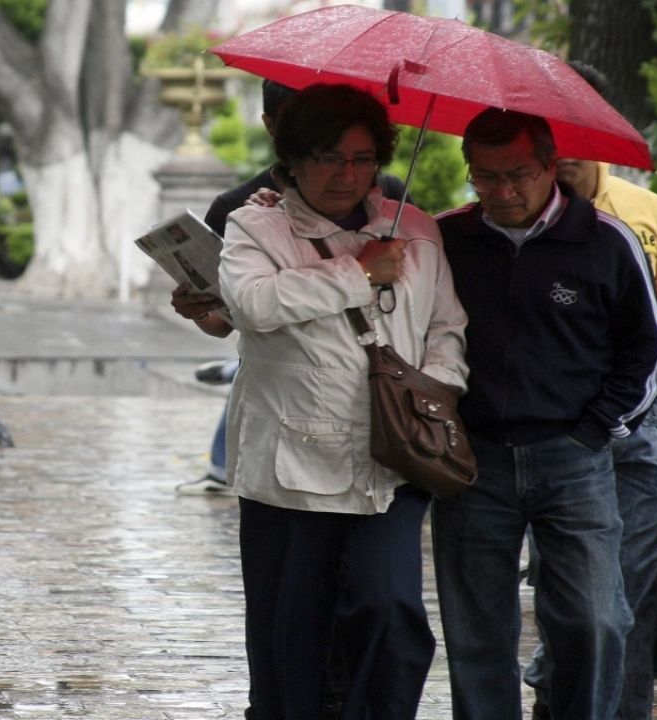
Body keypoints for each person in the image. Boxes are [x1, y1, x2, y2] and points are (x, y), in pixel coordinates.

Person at [220, 83, 468, 719]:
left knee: (391, 611)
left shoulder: (413, 228)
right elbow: (253, 304)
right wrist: (356, 273)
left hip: (392, 453)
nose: (346, 174)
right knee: (289, 636)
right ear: (295, 158)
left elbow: (446, 326)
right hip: (288, 469)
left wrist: (435, 387)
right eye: (329, 158)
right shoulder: (257, 225)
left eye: (361, 159)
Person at [432, 108, 657, 720]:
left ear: (549, 167)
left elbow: (649, 349)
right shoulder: (445, 239)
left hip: (575, 458)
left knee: (596, 620)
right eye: (484, 177)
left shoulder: (606, 240)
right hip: (472, 460)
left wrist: (597, 429)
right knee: (476, 631)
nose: (503, 192)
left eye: (518, 175)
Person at [521, 63, 657, 720]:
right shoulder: (519, 214)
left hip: (642, 424)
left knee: (627, 592)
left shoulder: (645, 212)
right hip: (555, 426)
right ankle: (561, 692)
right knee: (566, 588)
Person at [173, 78, 410, 494]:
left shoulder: (385, 198)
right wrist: (199, 309)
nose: (345, 173)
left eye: (359, 159)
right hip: (282, 403)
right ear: (273, 128)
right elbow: (225, 320)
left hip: (372, 396)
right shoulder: (239, 210)